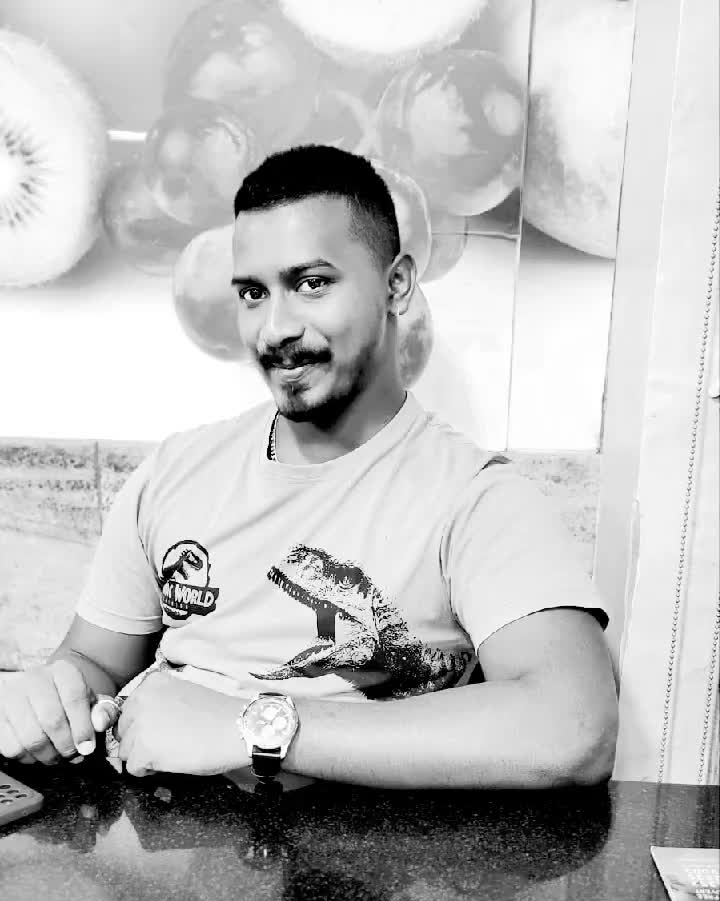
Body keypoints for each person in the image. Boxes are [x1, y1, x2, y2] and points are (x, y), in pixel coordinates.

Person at [0, 145, 618, 790]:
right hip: (156, 830)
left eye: (311, 283)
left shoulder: (477, 497)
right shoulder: (175, 471)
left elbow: (574, 730)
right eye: (253, 293)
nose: (276, 329)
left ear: (397, 284)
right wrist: (47, 701)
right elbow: (93, 664)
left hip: (354, 844)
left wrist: (255, 727)